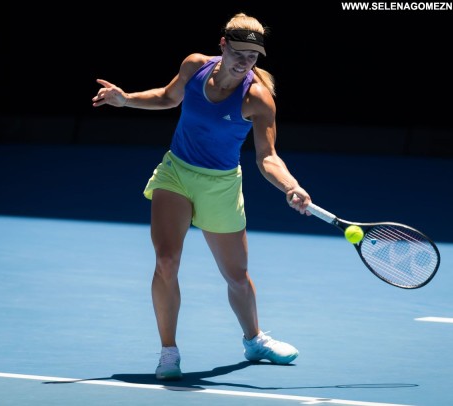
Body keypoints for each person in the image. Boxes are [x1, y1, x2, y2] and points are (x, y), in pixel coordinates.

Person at [92, 12, 311, 380]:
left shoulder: (257, 98)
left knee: (237, 276)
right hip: (176, 173)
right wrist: (125, 99)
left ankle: (254, 340)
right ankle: (169, 352)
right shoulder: (194, 66)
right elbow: (167, 97)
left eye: (252, 57)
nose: (244, 63)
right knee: (166, 261)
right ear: (222, 45)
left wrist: (291, 185)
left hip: (221, 185)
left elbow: (267, 157)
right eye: (238, 53)